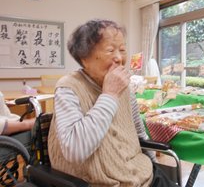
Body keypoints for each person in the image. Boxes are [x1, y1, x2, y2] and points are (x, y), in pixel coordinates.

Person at [48, 19, 179, 187]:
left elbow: (138, 132)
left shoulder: (125, 87)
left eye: (122, 50)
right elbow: (75, 150)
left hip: (143, 175)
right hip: (98, 181)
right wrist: (109, 95)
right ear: (84, 58)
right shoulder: (68, 87)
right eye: (110, 50)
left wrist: (154, 166)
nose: (119, 58)